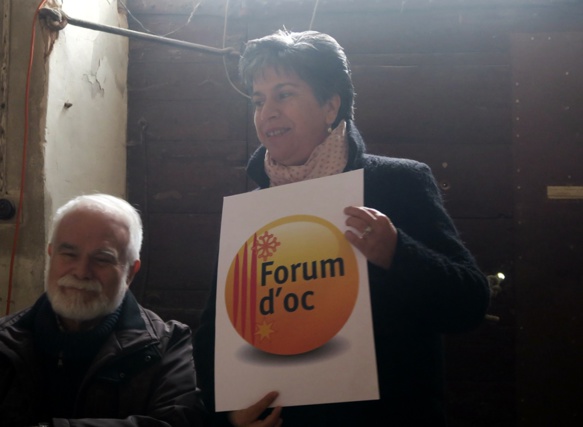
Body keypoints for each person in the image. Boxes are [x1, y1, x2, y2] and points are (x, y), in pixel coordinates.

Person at [194, 30, 491, 427]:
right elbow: (214, 334)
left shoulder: (399, 183)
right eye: (259, 100)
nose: (267, 113)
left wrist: (398, 254)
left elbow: (469, 302)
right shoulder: (252, 210)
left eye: (284, 94)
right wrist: (227, 418)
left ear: (331, 104)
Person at [0, 194, 205, 426]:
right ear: (50, 255)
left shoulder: (168, 347)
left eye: (102, 259)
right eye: (69, 254)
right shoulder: (4, 341)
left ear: (130, 272)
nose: (81, 272)